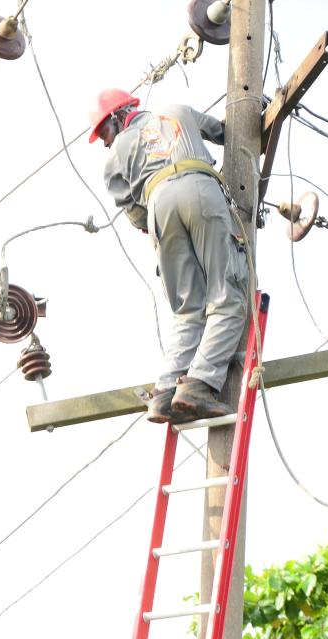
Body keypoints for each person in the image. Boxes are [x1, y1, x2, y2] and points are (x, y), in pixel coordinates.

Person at [91, 88, 249, 424]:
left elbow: (134, 216)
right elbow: (225, 131)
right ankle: (200, 385)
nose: (106, 141)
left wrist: (163, 227)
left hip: (158, 204)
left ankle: (165, 393)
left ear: (121, 116)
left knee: (187, 309)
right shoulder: (176, 110)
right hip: (200, 187)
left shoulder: (115, 156)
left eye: (105, 132)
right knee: (227, 296)